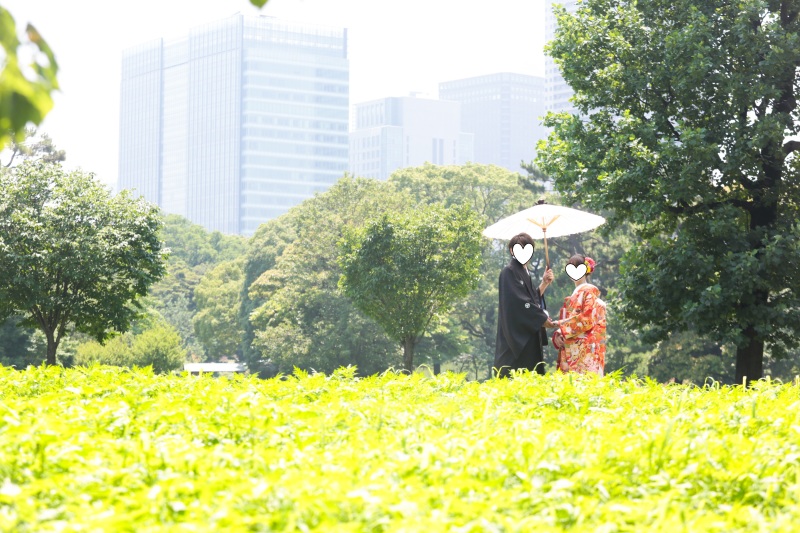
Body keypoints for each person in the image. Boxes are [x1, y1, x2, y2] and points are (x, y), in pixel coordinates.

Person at [494, 232, 557, 377]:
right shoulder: (509, 272)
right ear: (512, 250)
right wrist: (542, 318)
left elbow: (530, 299)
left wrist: (544, 283)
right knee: (516, 377)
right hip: (515, 339)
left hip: (528, 337)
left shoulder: (524, 272)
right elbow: (520, 303)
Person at [552, 254, 607, 376]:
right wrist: (559, 333)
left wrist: (560, 325)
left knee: (582, 382)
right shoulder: (574, 296)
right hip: (573, 349)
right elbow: (569, 320)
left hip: (585, 352)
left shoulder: (588, 292)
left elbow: (587, 320)